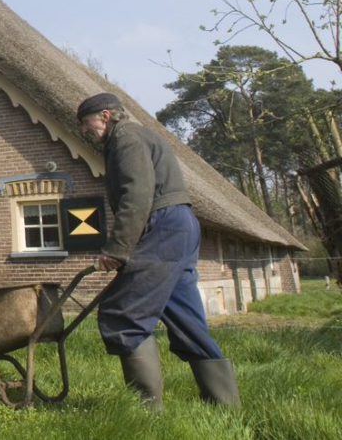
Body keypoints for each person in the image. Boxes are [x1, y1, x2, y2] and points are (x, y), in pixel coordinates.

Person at [76, 92, 240, 410]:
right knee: (186, 320)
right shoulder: (136, 136)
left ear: (106, 116)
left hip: (163, 226)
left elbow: (136, 195)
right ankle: (225, 408)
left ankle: (146, 414)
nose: (85, 131)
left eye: (86, 123)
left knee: (123, 314)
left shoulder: (126, 137)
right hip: (181, 226)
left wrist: (118, 249)